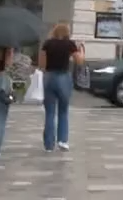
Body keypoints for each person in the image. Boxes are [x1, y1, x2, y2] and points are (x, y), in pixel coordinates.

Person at [37, 23, 83, 153]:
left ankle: (49, 145)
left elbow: (42, 64)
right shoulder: (70, 44)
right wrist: (80, 51)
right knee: (63, 111)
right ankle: (63, 141)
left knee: (50, 113)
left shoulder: (47, 44)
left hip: (49, 77)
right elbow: (79, 61)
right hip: (63, 77)